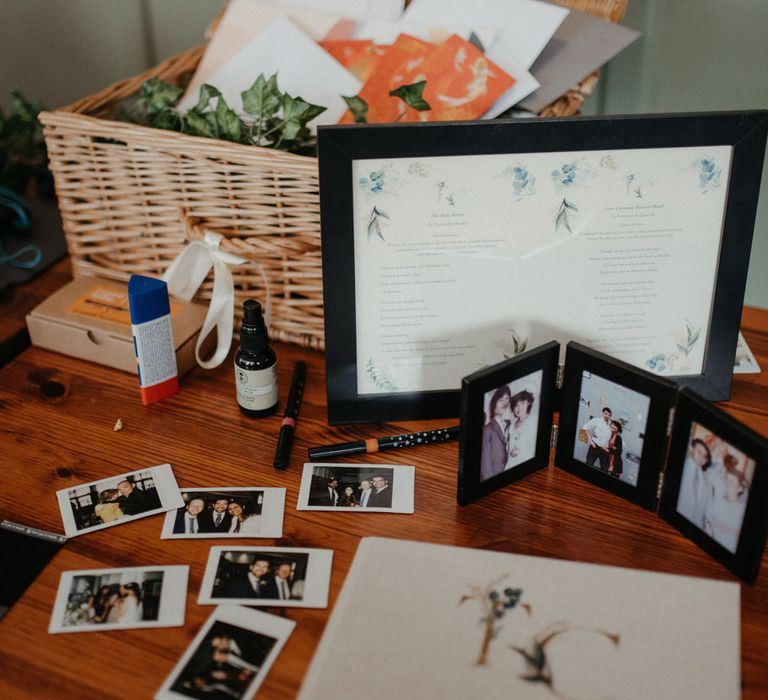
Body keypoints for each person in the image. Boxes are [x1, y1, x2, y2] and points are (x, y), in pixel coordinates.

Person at [704, 457, 749, 554]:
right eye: (727, 480)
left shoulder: (742, 510)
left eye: (731, 482)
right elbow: (709, 520)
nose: (727, 483)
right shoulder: (718, 501)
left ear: (740, 488)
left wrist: (727, 529)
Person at [677, 438, 717, 529]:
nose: (701, 457)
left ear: (705, 461)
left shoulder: (708, 483)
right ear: (691, 449)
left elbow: (708, 513)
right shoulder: (680, 468)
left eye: (704, 455)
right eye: (699, 451)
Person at [480, 385, 512, 481]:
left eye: (507, 399)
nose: (504, 403)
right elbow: (485, 465)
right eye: (500, 400)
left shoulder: (510, 425)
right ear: (494, 404)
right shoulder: (487, 429)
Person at [506, 389, 536, 469]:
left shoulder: (532, 421)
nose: (519, 408)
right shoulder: (511, 426)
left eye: (523, 403)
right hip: (510, 464)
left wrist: (518, 449)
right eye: (516, 405)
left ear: (528, 403)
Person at [582, 407, 613, 471]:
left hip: (604, 450)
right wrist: (591, 441)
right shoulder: (597, 420)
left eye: (609, 415)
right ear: (602, 413)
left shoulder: (611, 425)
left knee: (605, 469)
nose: (607, 416)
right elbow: (585, 427)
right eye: (606, 413)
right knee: (588, 464)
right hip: (595, 447)